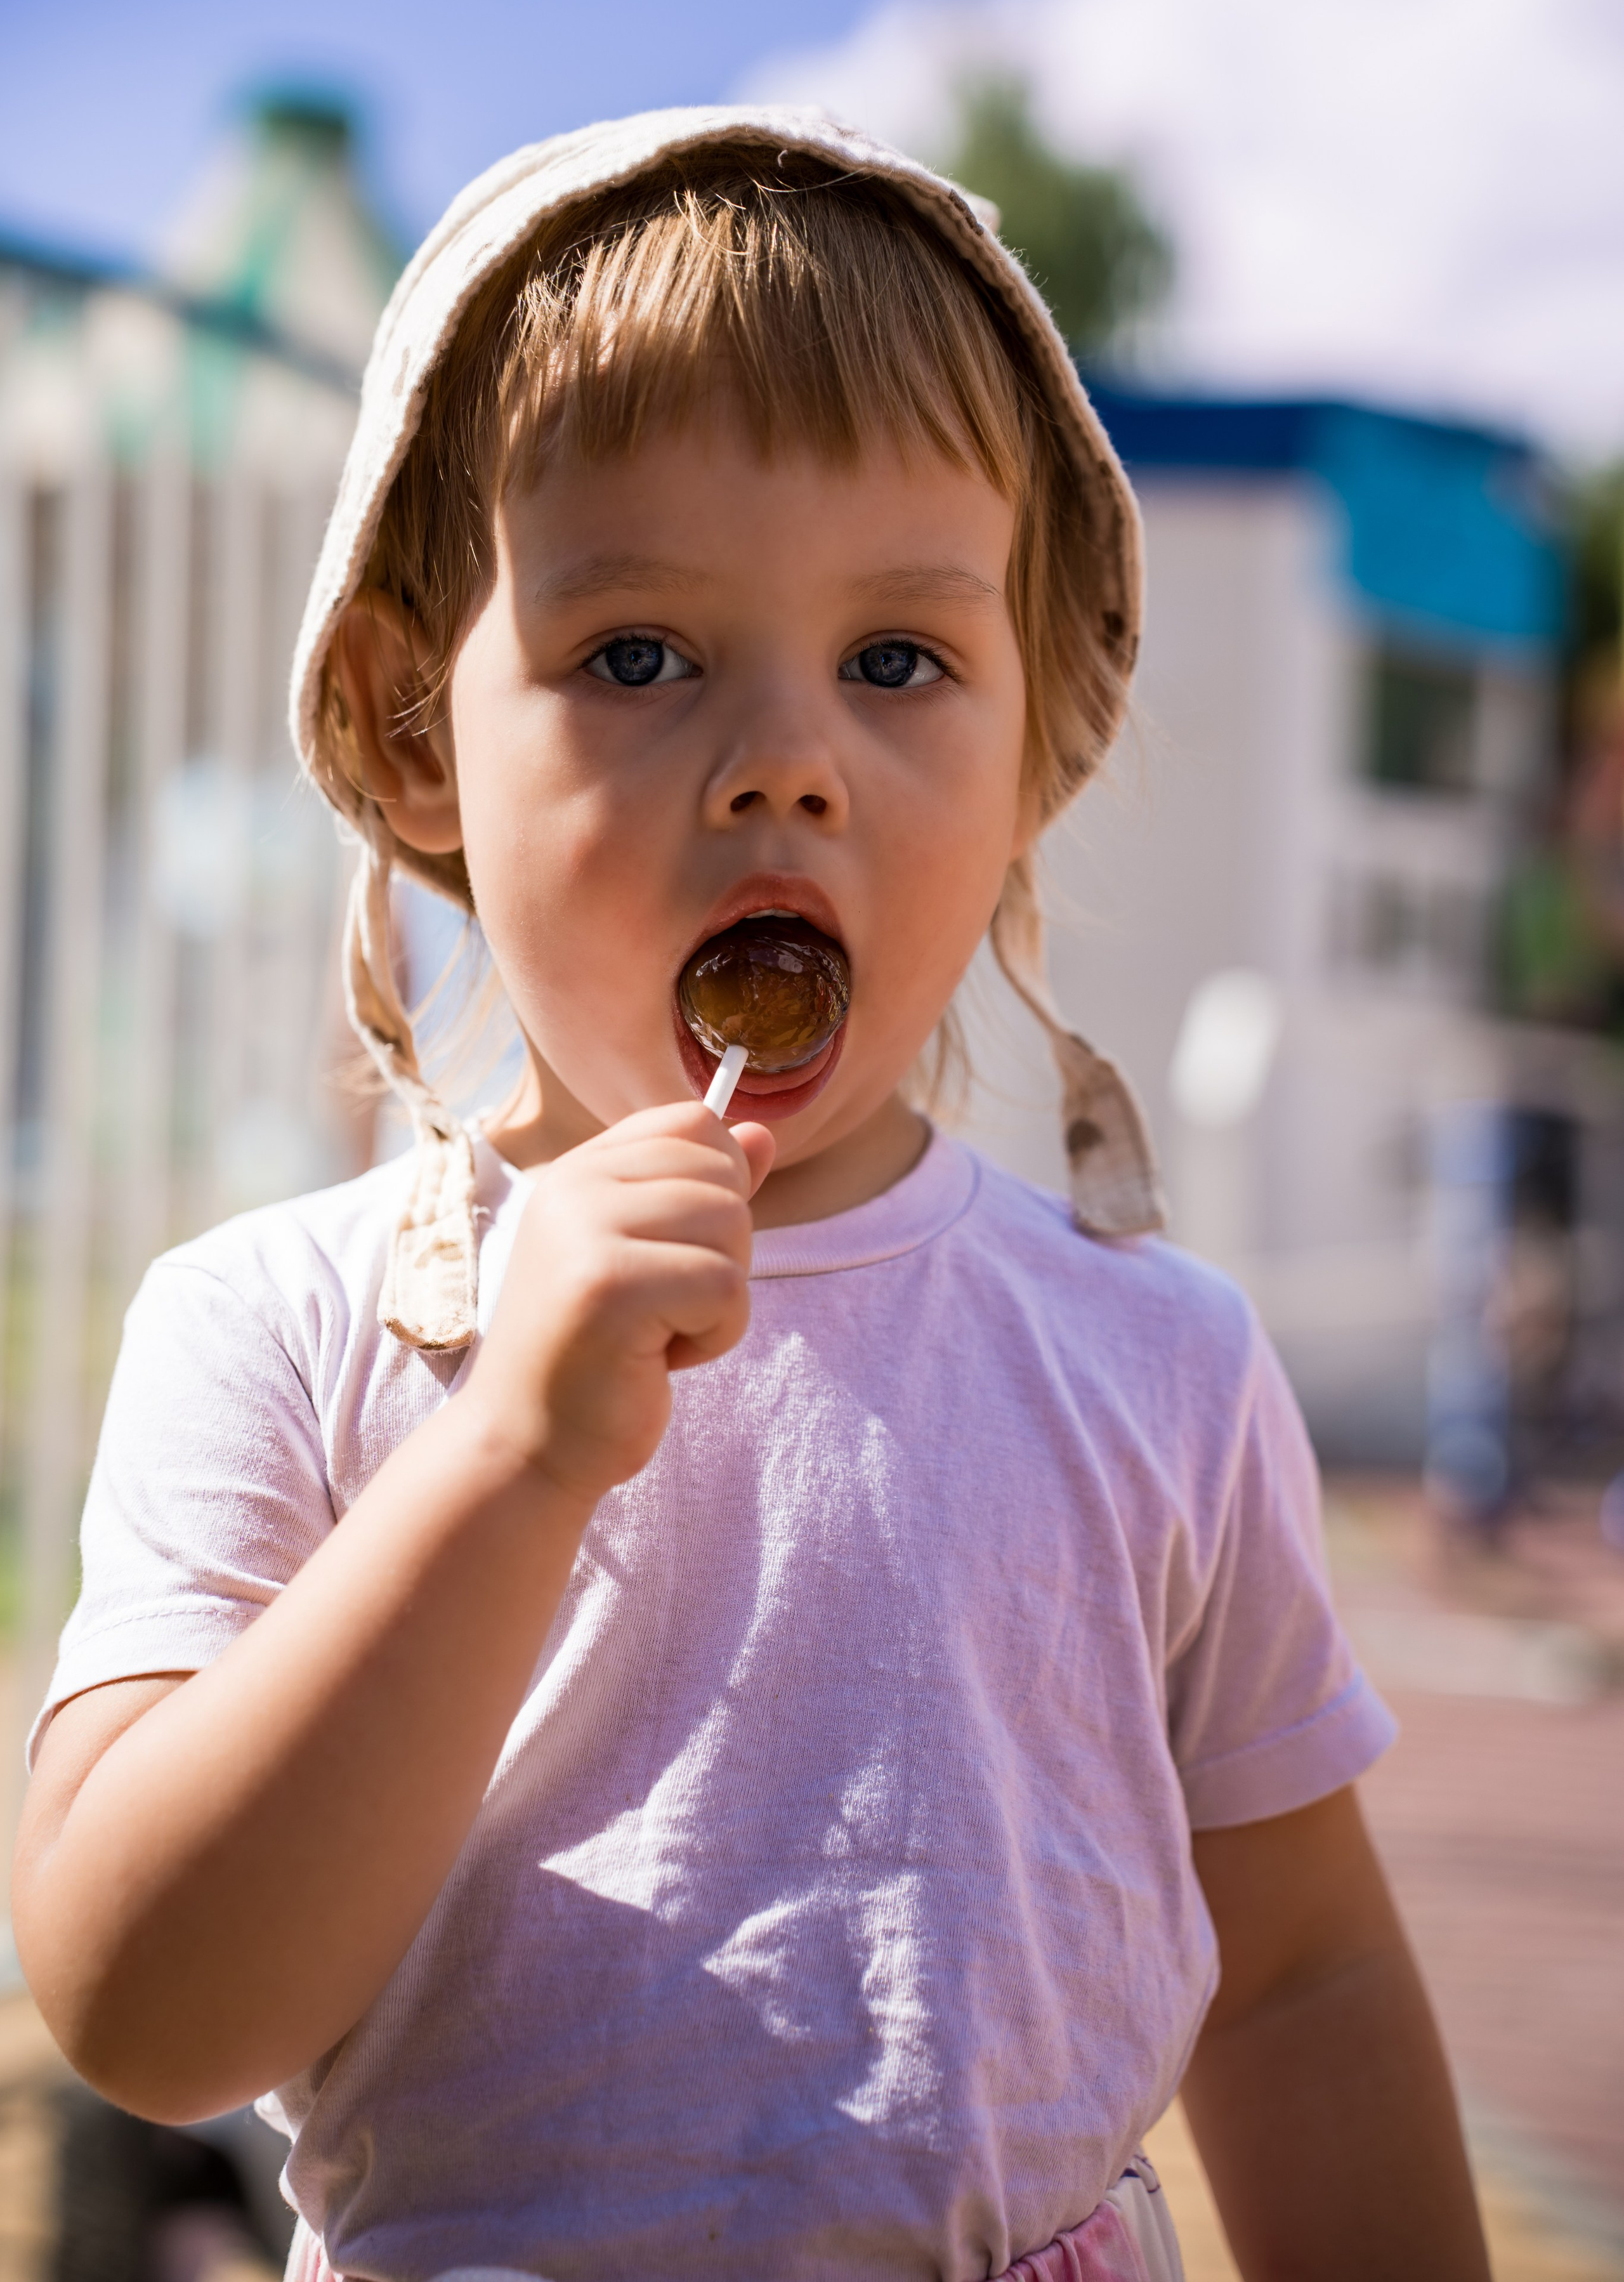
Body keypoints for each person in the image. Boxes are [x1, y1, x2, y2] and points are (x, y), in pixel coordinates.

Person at [13, 110, 1490, 2282]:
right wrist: (507, 1459)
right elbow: (145, 2010)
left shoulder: (1154, 1365)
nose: (785, 756)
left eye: (900, 661)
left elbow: (1297, 1982)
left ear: (1026, 757)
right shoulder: (288, 1331)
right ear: (416, 734)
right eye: (638, 655)